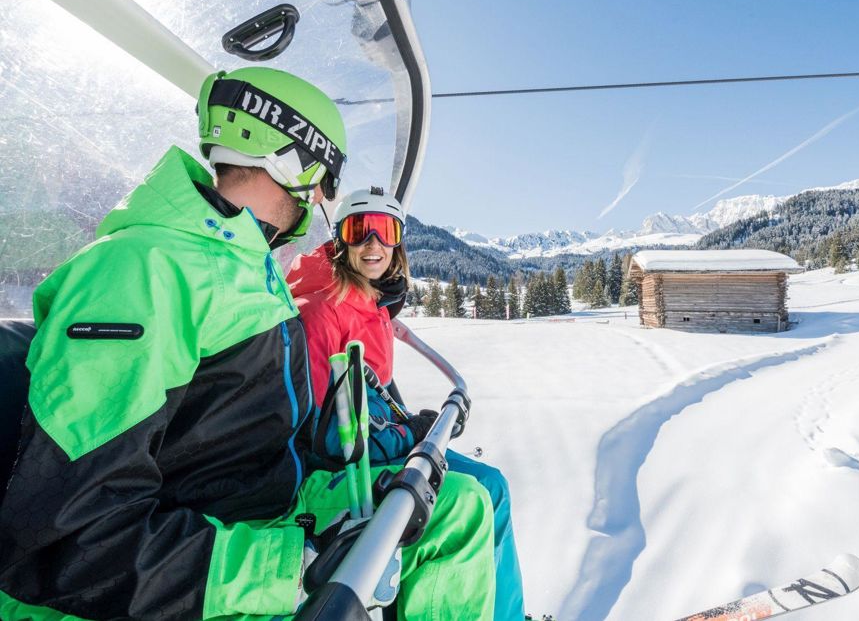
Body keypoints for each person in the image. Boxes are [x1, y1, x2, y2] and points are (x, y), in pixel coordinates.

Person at [0, 67, 495, 621]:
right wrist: (290, 567)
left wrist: (384, 441)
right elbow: (71, 535)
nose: (324, 198)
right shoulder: (144, 272)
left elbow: (245, 426)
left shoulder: (246, 265)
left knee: (457, 508)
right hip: (202, 553)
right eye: (326, 178)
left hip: (267, 506)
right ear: (291, 158)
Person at [287, 187, 525, 621]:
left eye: (386, 231)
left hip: (378, 448)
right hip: (340, 473)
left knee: (494, 486)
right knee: (473, 497)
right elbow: (324, 432)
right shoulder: (324, 311)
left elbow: (376, 395)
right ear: (340, 239)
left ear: (398, 243)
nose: (373, 243)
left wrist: (407, 425)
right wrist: (410, 434)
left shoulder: (372, 304)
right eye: (360, 230)